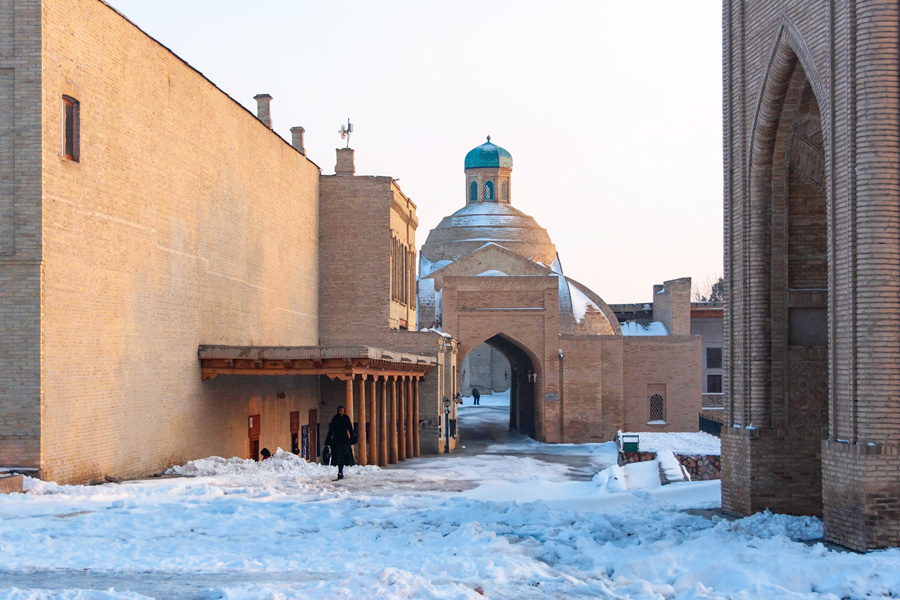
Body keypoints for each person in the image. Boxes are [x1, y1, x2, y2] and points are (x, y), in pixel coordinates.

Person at [325, 406, 355, 480]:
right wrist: (328, 440)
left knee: (345, 454)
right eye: (340, 410)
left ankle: (342, 469)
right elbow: (331, 430)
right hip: (337, 439)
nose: (341, 411)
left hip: (344, 438)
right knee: (337, 455)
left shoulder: (346, 418)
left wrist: (352, 439)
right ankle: (340, 471)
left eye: (342, 410)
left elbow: (350, 429)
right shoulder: (335, 418)